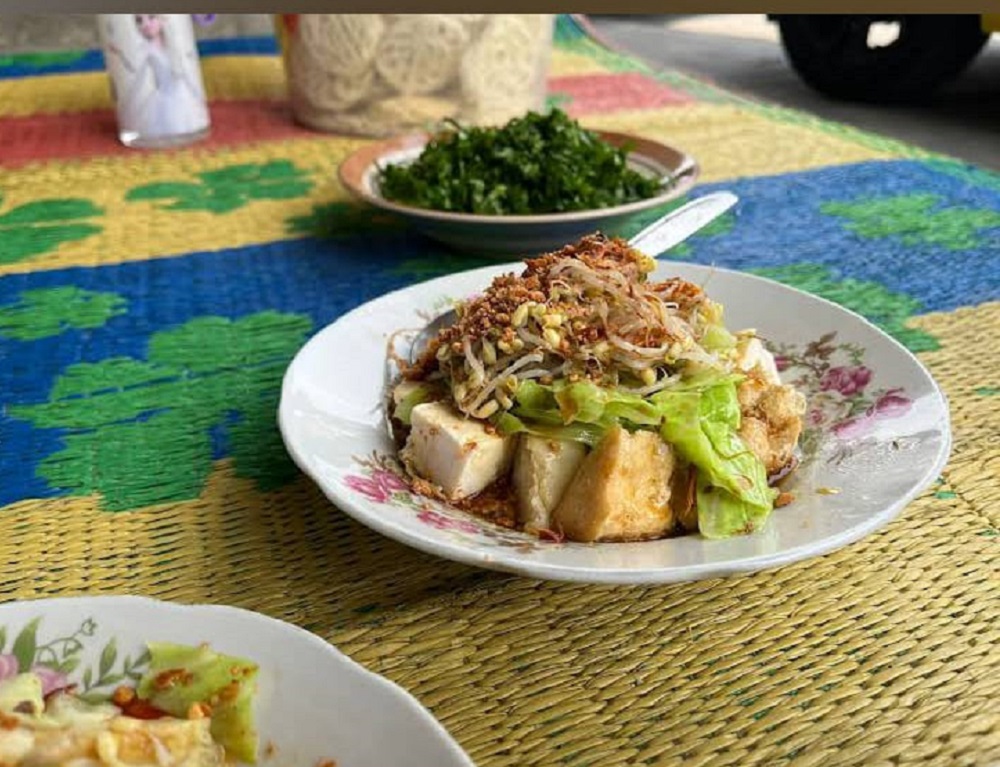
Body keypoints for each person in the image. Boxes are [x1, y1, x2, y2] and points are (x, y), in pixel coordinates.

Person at [105, 14, 207, 138]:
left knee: (188, 121)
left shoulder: (173, 43)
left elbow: (184, 70)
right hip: (165, 98)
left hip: (181, 93)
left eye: (151, 17)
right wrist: (120, 53)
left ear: (162, 19)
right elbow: (135, 71)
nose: (145, 24)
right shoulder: (148, 50)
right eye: (139, 21)